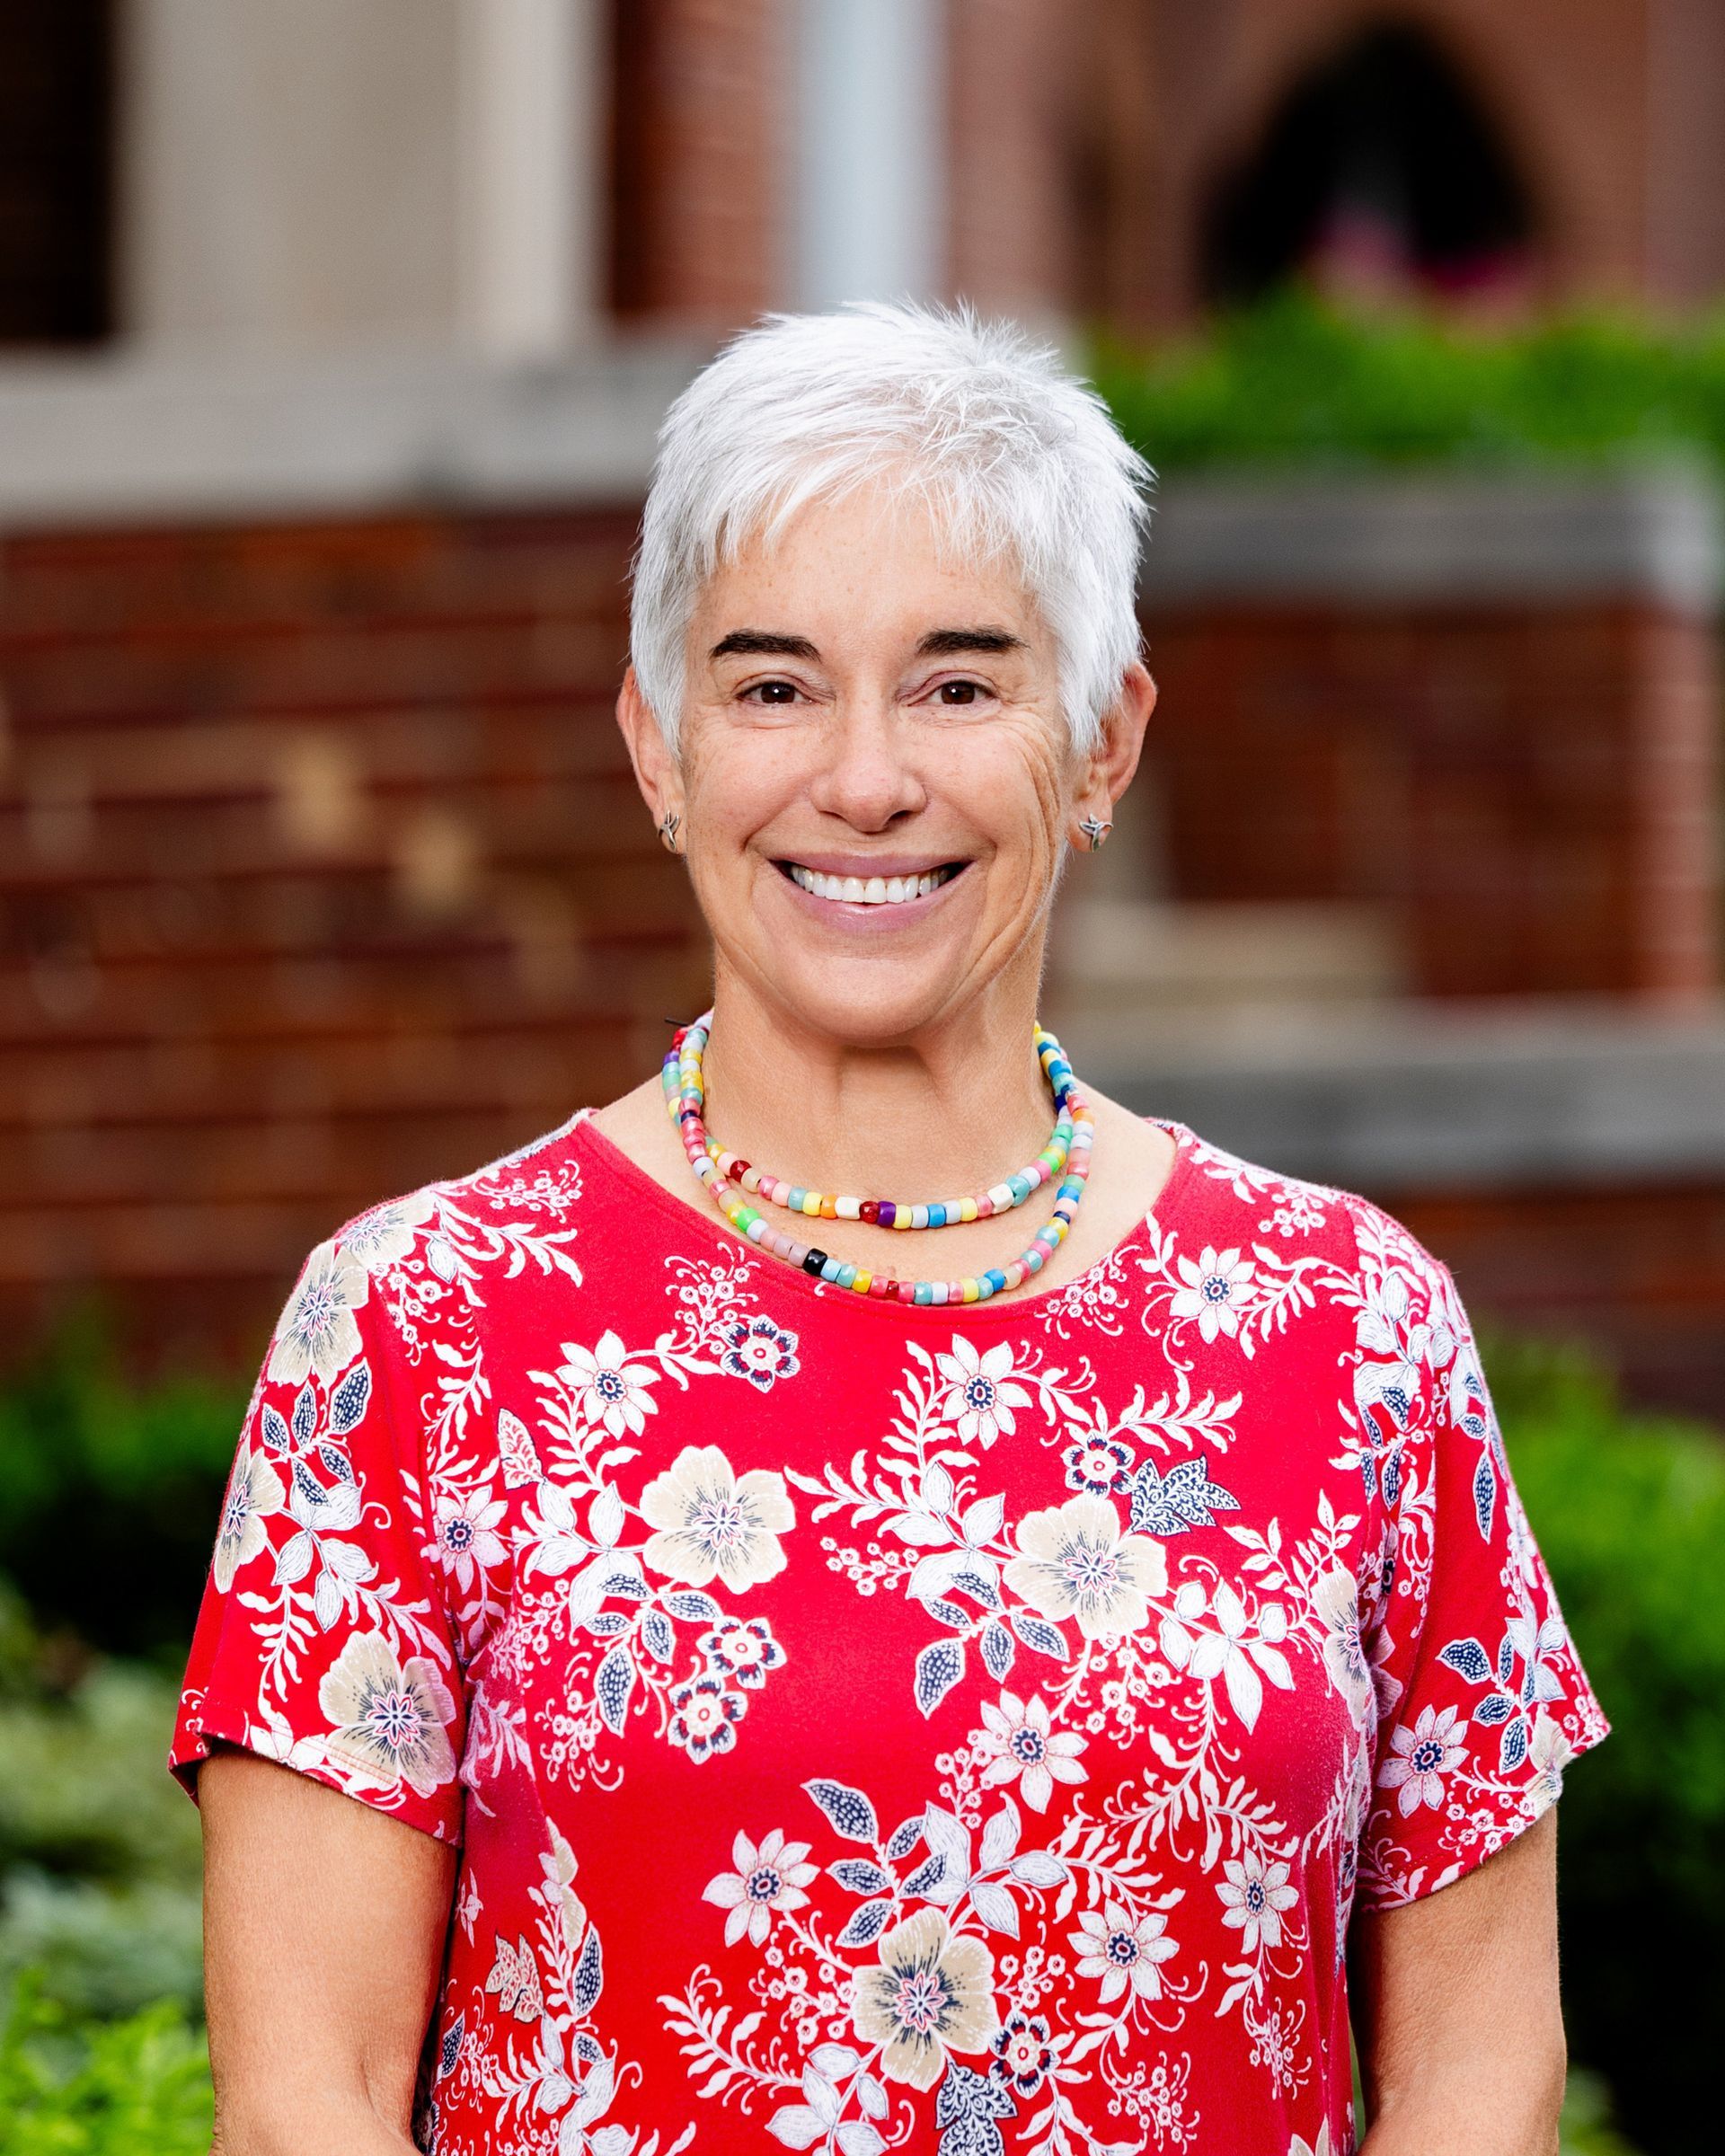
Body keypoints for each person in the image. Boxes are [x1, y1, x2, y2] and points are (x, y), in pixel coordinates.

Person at [174, 304, 1605, 2156]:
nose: (864, 780)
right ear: (658, 749)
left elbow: (1477, 2072)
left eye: (958, 685)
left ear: (1102, 745)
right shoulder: (417, 1328)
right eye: (773, 688)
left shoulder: (1351, 1324)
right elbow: (314, 2098)